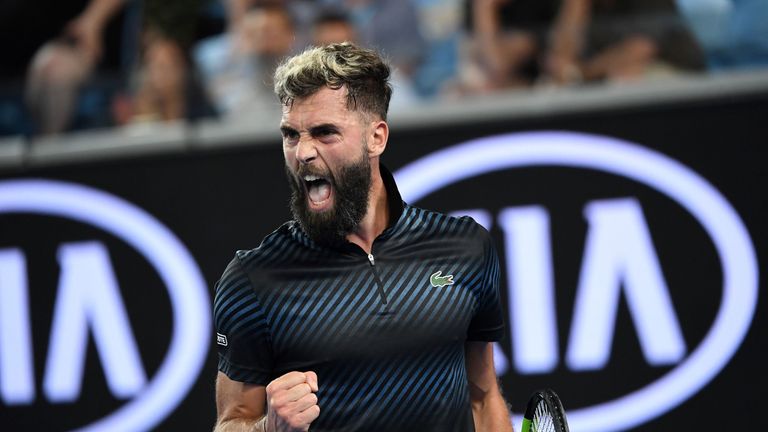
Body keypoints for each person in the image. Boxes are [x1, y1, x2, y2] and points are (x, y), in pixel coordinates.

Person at [212, 42, 511, 432]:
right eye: (290, 135)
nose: (302, 152)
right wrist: (269, 428)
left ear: (377, 138)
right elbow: (232, 421)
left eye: (324, 133)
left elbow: (482, 395)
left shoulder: (465, 248)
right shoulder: (253, 278)